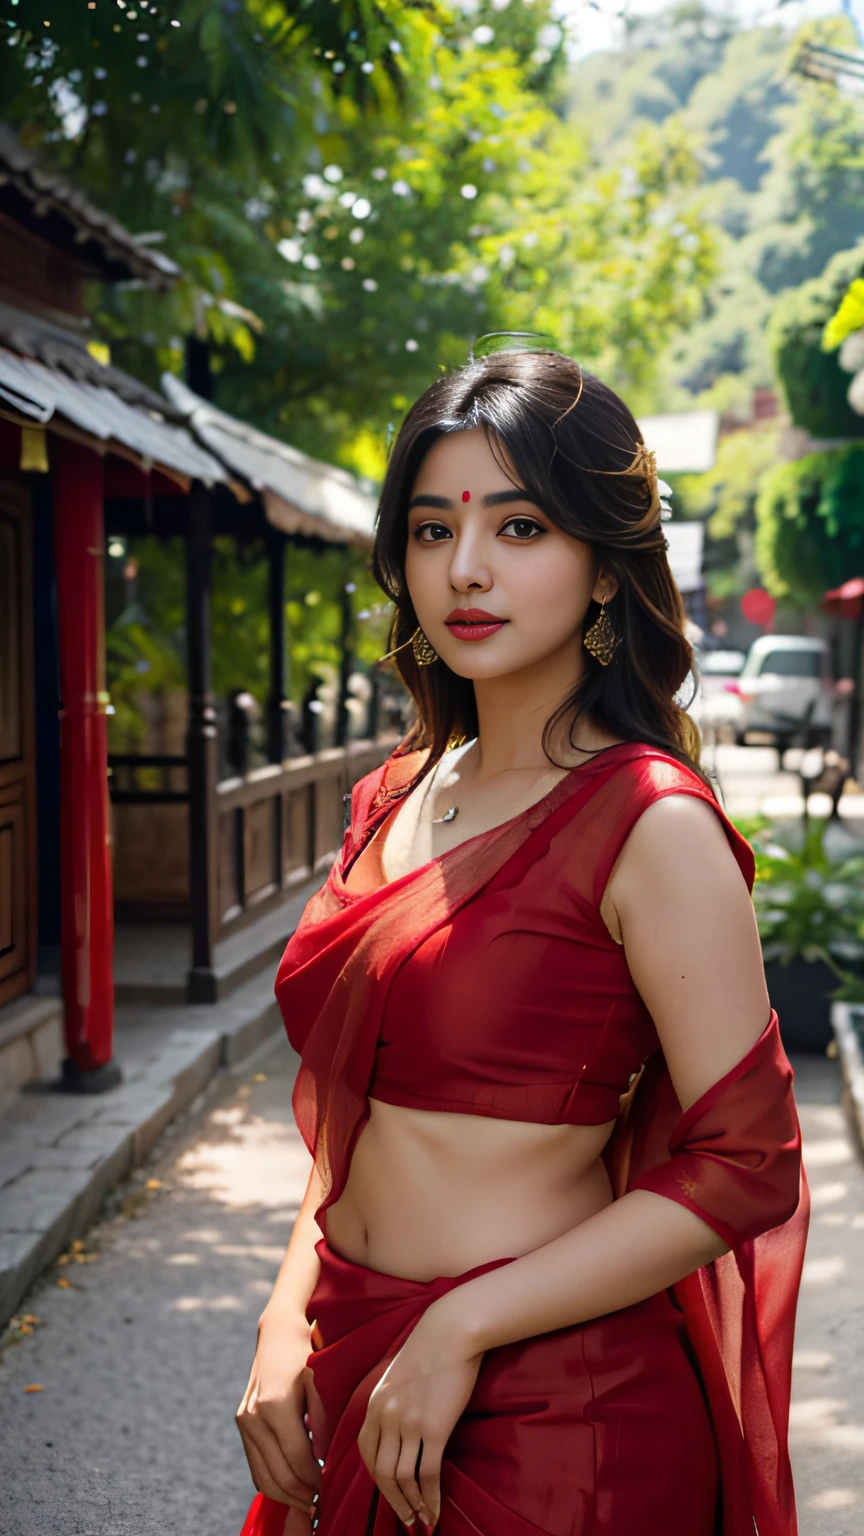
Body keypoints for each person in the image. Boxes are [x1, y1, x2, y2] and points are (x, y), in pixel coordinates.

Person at [235, 351, 808, 1536]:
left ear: (604, 568)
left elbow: (749, 1163)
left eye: (523, 526)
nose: (469, 569)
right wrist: (285, 1315)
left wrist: (462, 1324)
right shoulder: (395, 794)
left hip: (552, 1408)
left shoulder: (648, 823)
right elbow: (356, 1110)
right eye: (434, 529)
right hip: (354, 1368)